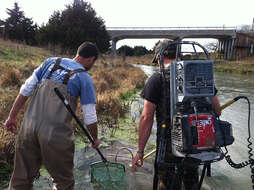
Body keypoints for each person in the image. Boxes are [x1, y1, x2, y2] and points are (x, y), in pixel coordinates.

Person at [4, 42, 100, 190]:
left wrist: (11, 116)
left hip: (28, 129)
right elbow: (90, 116)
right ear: (91, 59)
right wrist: (95, 138)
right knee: (64, 182)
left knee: (21, 179)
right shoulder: (83, 77)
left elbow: (26, 89)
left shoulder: (50, 62)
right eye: (93, 62)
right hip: (55, 135)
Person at [132, 40, 221, 190]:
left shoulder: (157, 79)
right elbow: (217, 110)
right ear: (179, 54)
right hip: (196, 142)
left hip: (168, 145)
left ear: (160, 56)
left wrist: (140, 151)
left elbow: (146, 118)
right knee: (191, 180)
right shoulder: (201, 76)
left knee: (166, 184)